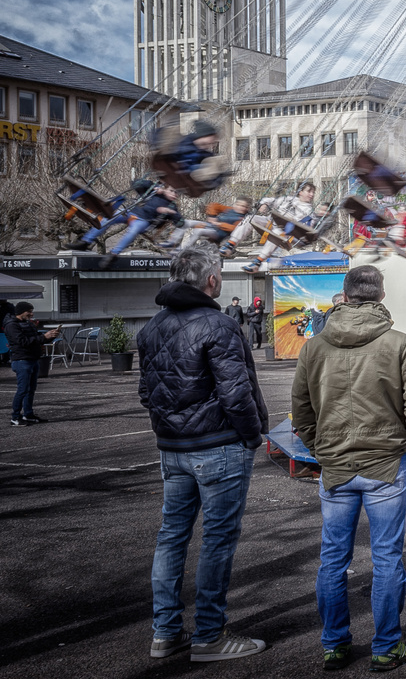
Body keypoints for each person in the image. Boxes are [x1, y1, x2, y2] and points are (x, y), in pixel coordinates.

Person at [291, 264, 406, 672]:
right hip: (386, 464)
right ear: (381, 296)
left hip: (335, 466)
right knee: (387, 557)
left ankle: (334, 644)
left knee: (333, 559)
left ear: (345, 296)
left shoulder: (315, 347)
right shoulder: (399, 344)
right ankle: (386, 646)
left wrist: (320, 448)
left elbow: (300, 410)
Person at [136, 245, 268, 662]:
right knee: (217, 540)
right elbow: (236, 392)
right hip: (218, 446)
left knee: (171, 537)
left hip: (172, 448)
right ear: (211, 281)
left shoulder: (151, 327)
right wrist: (252, 436)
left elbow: (147, 393)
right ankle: (209, 635)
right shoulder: (219, 324)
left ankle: (165, 632)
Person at [230, 182, 318, 272]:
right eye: (309, 191)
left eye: (313, 192)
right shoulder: (287, 200)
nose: (312, 194)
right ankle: (231, 244)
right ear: (300, 192)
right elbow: (270, 200)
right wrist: (263, 204)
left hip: (289, 235)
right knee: (250, 218)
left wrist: (294, 223)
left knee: (278, 233)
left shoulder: (309, 212)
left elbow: (306, 230)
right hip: (271, 223)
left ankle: (257, 262)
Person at [5, 302, 58, 425]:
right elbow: (22, 341)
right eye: (29, 311)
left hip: (33, 359)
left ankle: (28, 414)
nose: (31, 314)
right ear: (21, 312)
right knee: (22, 389)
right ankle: (15, 417)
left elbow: (37, 339)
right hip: (22, 360)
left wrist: (50, 336)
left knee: (30, 390)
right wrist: (44, 337)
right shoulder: (11, 325)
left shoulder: (27, 324)